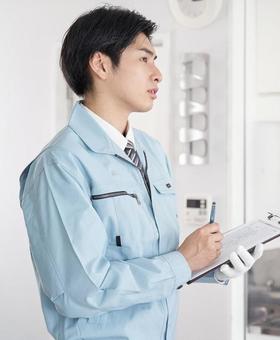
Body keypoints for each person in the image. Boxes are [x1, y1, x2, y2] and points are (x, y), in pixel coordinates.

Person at [18, 5, 263, 340]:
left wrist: (210, 265)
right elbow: (82, 291)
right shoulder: (59, 166)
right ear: (101, 64)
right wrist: (183, 262)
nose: (158, 73)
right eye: (145, 58)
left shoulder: (150, 151)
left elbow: (151, 262)